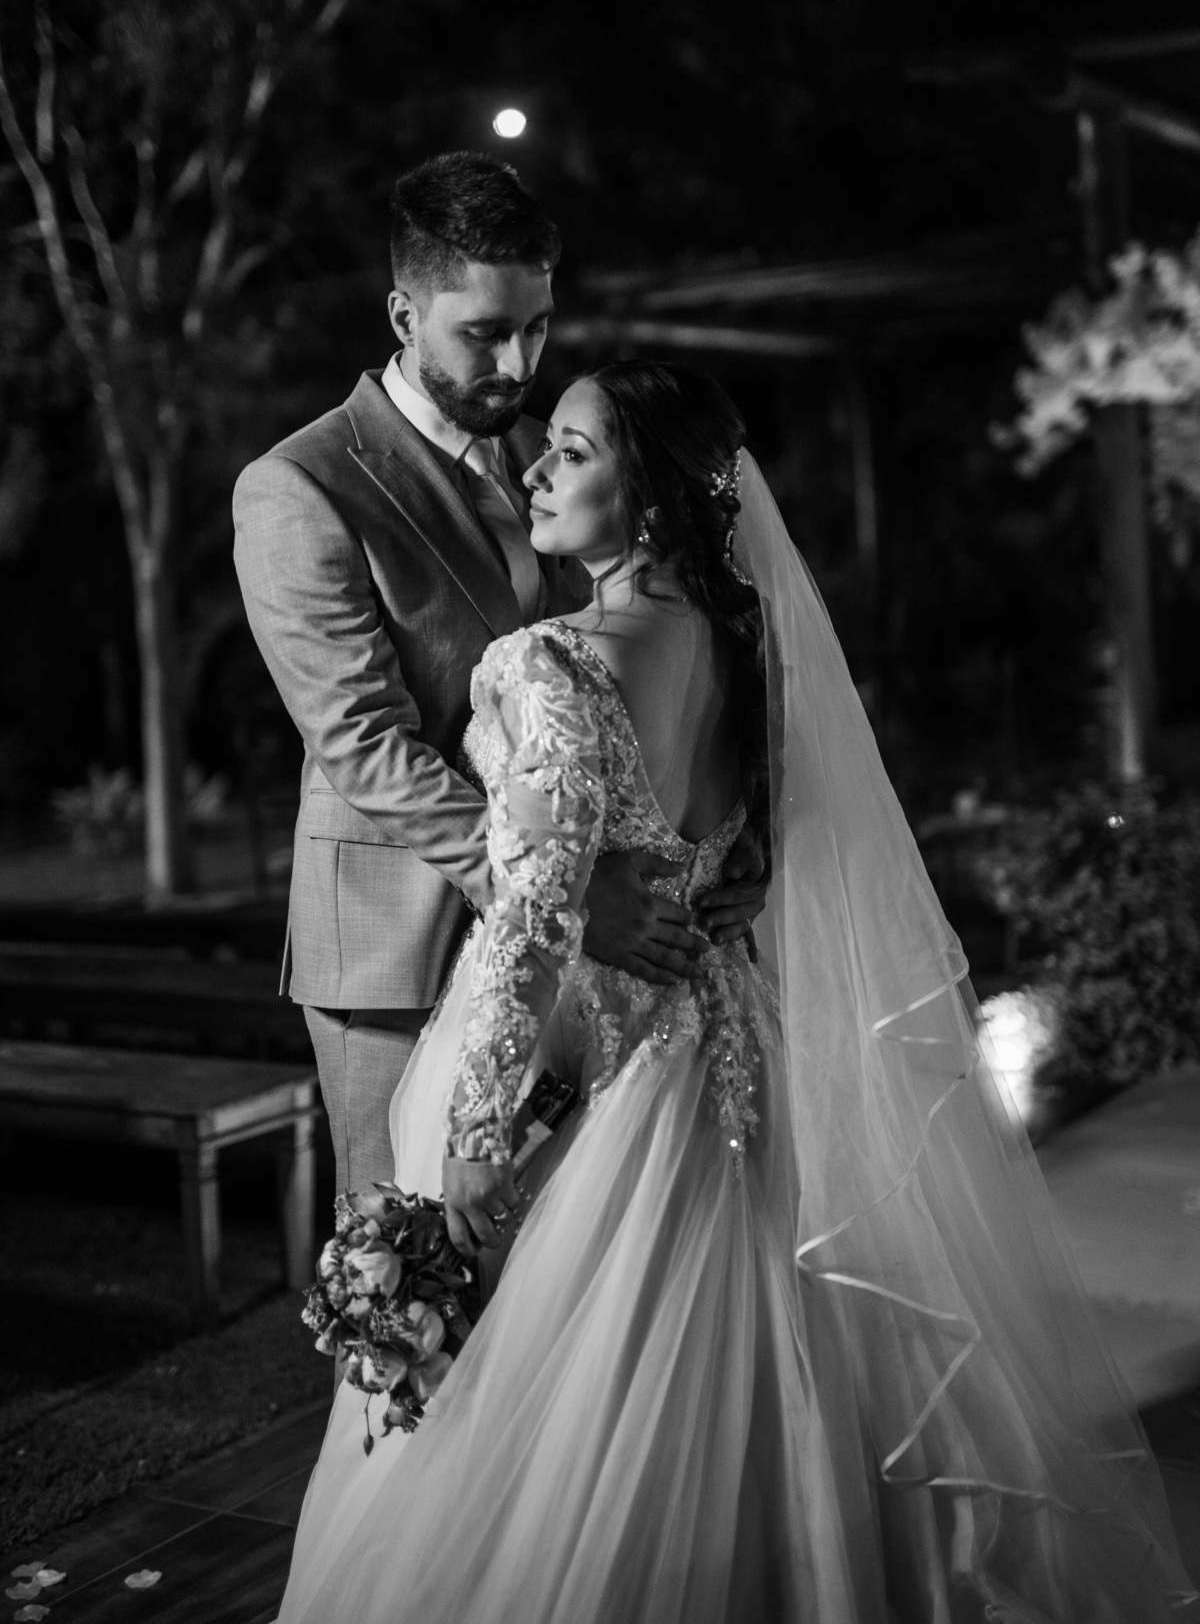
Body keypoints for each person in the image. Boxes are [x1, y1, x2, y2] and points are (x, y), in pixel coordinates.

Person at [275, 362, 1193, 1623]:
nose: (537, 467)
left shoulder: (553, 663)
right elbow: (761, 844)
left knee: (558, 1404)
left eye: (574, 452)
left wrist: (479, 1130)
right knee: (755, 1356)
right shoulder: (743, 648)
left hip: (586, 1059)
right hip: (722, 1044)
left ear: (648, 499)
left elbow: (534, 921)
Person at [233, 155, 763, 1199]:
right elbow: (362, 742)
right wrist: (561, 893)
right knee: (411, 1247)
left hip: (588, 958)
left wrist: (734, 853)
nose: (519, 362)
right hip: (400, 937)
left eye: (537, 327)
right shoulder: (301, 485)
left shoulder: (559, 455)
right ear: (404, 315)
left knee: (556, 1252)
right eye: (484, 332)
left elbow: (639, 673)